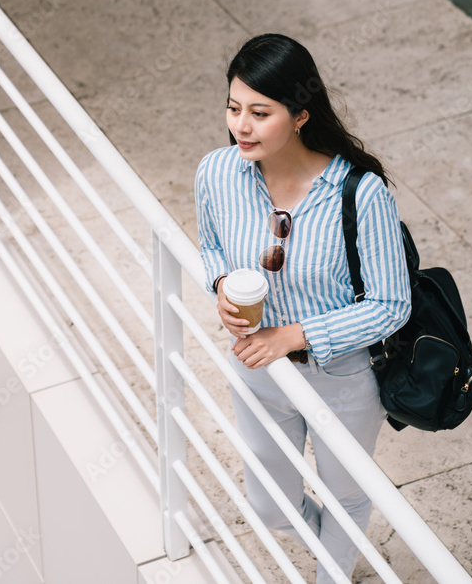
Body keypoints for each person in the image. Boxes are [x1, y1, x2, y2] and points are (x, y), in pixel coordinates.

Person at [194, 33, 412, 582]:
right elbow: (212, 244)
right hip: (258, 369)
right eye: (233, 107)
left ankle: (329, 574)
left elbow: (391, 304)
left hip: (340, 378)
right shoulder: (217, 173)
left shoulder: (360, 193)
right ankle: (334, 554)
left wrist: (292, 335)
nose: (240, 125)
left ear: (299, 116)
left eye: (259, 112)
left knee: (344, 498)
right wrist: (220, 283)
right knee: (271, 504)